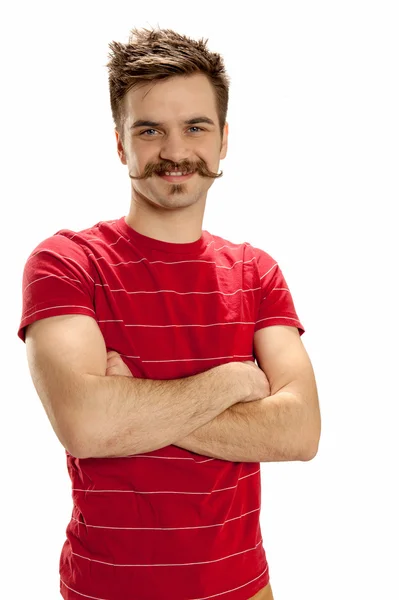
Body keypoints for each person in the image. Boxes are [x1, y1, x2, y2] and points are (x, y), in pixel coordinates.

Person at [17, 27, 320, 600]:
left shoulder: (257, 273)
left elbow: (301, 432)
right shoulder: (67, 262)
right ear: (119, 145)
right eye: (150, 129)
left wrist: (133, 411)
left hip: (245, 589)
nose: (175, 151)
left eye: (196, 127)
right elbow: (85, 426)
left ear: (224, 139)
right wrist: (232, 382)